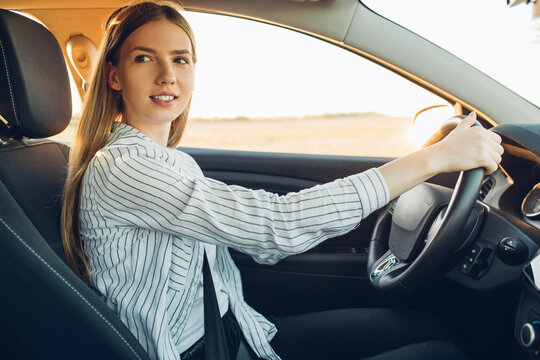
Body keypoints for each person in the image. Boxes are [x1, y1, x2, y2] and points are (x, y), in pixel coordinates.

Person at [60, 1, 504, 360]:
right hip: (200, 350)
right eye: (144, 58)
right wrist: (433, 159)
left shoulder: (168, 159)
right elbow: (277, 225)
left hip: (243, 333)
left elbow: (257, 242)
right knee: (439, 351)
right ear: (115, 75)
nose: (168, 75)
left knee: (431, 328)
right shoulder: (123, 167)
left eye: (181, 59)